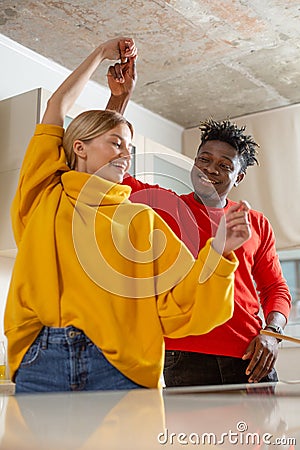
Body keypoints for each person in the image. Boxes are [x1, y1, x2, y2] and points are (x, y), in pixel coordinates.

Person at [4, 37, 251, 393]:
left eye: (129, 148)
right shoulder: (44, 192)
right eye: (117, 144)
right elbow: (57, 110)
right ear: (78, 147)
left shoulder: (144, 220)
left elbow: (180, 302)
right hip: (42, 358)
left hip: (122, 365)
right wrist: (100, 54)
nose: (126, 154)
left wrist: (220, 251)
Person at [107, 61, 292, 386]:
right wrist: (120, 99)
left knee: (255, 439)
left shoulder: (255, 223)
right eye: (204, 159)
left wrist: (272, 333)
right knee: (191, 439)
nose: (210, 169)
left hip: (250, 355)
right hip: (183, 355)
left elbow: (275, 289)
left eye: (224, 165)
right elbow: (108, 166)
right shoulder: (165, 206)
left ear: (239, 176)